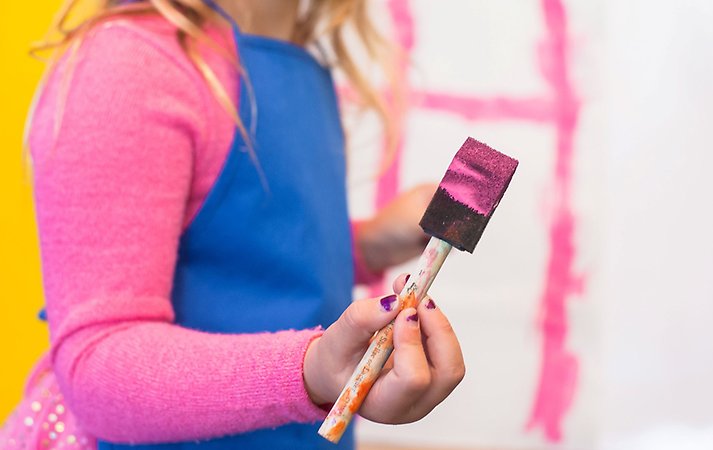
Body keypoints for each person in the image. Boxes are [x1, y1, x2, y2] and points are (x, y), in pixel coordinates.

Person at [1, 0, 465, 449]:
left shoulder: (303, 69)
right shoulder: (129, 65)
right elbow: (97, 363)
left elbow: (243, 255)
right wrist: (312, 370)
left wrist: (366, 247)